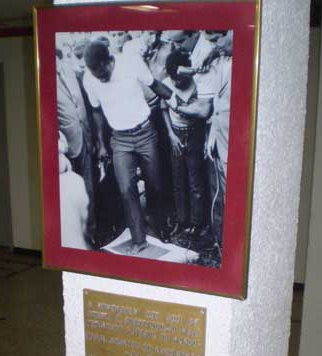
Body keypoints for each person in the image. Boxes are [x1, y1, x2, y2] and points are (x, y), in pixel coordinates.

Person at [83, 40, 172, 255]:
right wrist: (102, 144)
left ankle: (160, 227)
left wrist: (177, 99)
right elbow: (96, 111)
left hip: (145, 133)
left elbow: (155, 85)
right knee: (126, 189)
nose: (101, 79)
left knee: (155, 185)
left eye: (103, 74)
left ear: (110, 60)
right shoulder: (89, 79)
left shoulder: (132, 63)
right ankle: (139, 239)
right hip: (120, 140)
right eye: (96, 76)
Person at [161, 50, 212, 244]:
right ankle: (182, 221)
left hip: (195, 134)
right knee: (178, 181)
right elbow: (164, 109)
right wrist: (171, 135)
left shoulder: (198, 83)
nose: (176, 83)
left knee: (195, 182)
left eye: (180, 80)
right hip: (176, 135)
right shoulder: (166, 84)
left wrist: (206, 138)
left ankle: (197, 223)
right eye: (174, 80)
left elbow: (204, 113)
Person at [56, 47, 96, 242]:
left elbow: (84, 105)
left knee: (88, 188)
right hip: (66, 146)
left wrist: (93, 138)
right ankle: (76, 236)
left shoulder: (70, 72)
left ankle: (92, 233)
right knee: (70, 193)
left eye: (58, 59)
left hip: (86, 139)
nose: (57, 63)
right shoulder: (46, 81)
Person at [204, 30, 233, 249]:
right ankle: (221, 241)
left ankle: (230, 243)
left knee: (232, 194)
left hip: (234, 141)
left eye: (216, 40)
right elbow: (217, 103)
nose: (215, 45)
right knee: (221, 192)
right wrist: (212, 136)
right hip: (219, 138)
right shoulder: (222, 58)